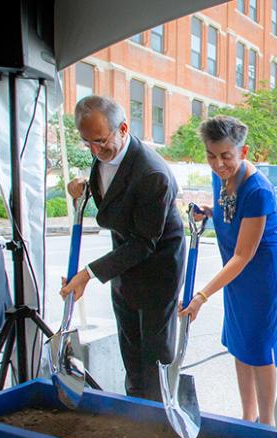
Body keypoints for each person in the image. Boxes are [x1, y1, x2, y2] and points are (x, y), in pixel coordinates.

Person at [61, 95, 185, 402]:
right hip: (125, 260)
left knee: (154, 352)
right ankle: (135, 412)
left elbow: (144, 242)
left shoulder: (152, 174)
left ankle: (159, 421)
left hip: (157, 265)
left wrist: (88, 274)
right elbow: (114, 191)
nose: (94, 150)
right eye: (86, 143)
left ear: (123, 129)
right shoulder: (103, 152)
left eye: (100, 142)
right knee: (129, 343)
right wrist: (83, 185)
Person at [179, 115, 277, 425]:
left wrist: (201, 295)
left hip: (259, 274)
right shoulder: (220, 176)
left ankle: (266, 423)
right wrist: (208, 213)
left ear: (243, 151)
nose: (218, 163)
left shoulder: (258, 191)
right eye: (211, 156)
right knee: (241, 345)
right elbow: (229, 212)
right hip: (236, 277)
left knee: (260, 347)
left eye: (226, 156)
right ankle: (246, 416)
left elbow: (243, 255)